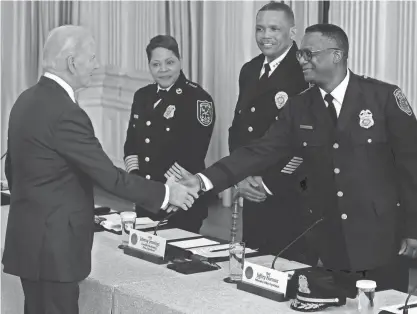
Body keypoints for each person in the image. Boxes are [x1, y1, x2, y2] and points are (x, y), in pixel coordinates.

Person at [182, 24, 417, 293]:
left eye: (309, 53)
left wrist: (414, 227)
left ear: (336, 55)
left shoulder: (383, 98)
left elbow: (411, 166)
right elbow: (259, 151)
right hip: (330, 241)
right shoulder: (299, 106)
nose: (302, 60)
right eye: (300, 54)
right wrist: (204, 180)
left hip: (381, 238)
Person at [2, 25, 197, 314]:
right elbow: (109, 176)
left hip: (29, 240)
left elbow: (12, 168)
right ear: (72, 63)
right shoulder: (65, 112)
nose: (96, 65)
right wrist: (166, 194)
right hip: (56, 247)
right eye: (92, 58)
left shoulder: (25, 99)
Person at [228, 1, 311, 261]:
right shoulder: (249, 70)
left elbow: (307, 143)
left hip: (289, 192)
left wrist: (267, 183)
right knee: (254, 266)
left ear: (292, 32)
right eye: (260, 28)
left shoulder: (305, 72)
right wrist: (240, 176)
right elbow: (239, 130)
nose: (265, 36)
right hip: (251, 188)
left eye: (274, 29)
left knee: (288, 270)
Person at [123, 35, 215, 233]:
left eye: (169, 62)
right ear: (149, 66)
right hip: (147, 197)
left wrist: (165, 191)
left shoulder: (198, 99)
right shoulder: (142, 96)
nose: (163, 69)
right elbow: (131, 144)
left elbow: (194, 154)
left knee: (176, 258)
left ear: (180, 61)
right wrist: (139, 184)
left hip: (180, 198)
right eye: (156, 64)